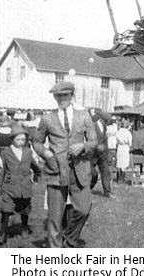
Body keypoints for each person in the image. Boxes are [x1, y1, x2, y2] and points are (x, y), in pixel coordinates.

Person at [33, 81, 97, 248]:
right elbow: (37, 142)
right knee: (55, 217)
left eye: (65, 95)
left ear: (71, 96)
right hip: (56, 170)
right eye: (58, 96)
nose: (62, 99)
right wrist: (46, 154)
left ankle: (70, 241)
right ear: (54, 97)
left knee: (83, 209)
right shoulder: (47, 119)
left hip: (79, 170)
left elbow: (94, 141)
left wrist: (83, 146)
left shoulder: (84, 116)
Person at [0, 123, 41, 245]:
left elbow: (35, 166)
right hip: (10, 186)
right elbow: (2, 171)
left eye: (23, 140)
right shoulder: (6, 153)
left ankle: (24, 227)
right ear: (12, 139)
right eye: (18, 139)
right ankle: (2, 232)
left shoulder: (28, 152)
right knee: (6, 210)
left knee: (25, 209)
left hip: (25, 186)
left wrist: (38, 175)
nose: (21, 142)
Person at [89, 110, 113, 197]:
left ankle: (107, 192)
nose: (108, 123)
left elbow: (104, 140)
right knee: (93, 174)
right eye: (107, 121)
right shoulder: (93, 125)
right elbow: (90, 139)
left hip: (102, 154)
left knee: (105, 171)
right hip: (93, 154)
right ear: (102, 119)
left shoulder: (103, 127)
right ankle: (86, 189)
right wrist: (97, 146)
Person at [115, 119, 132, 183]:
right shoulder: (128, 133)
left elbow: (116, 142)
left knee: (119, 163)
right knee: (124, 163)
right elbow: (130, 142)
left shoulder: (118, 132)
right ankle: (122, 178)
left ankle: (119, 179)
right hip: (125, 147)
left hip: (120, 147)